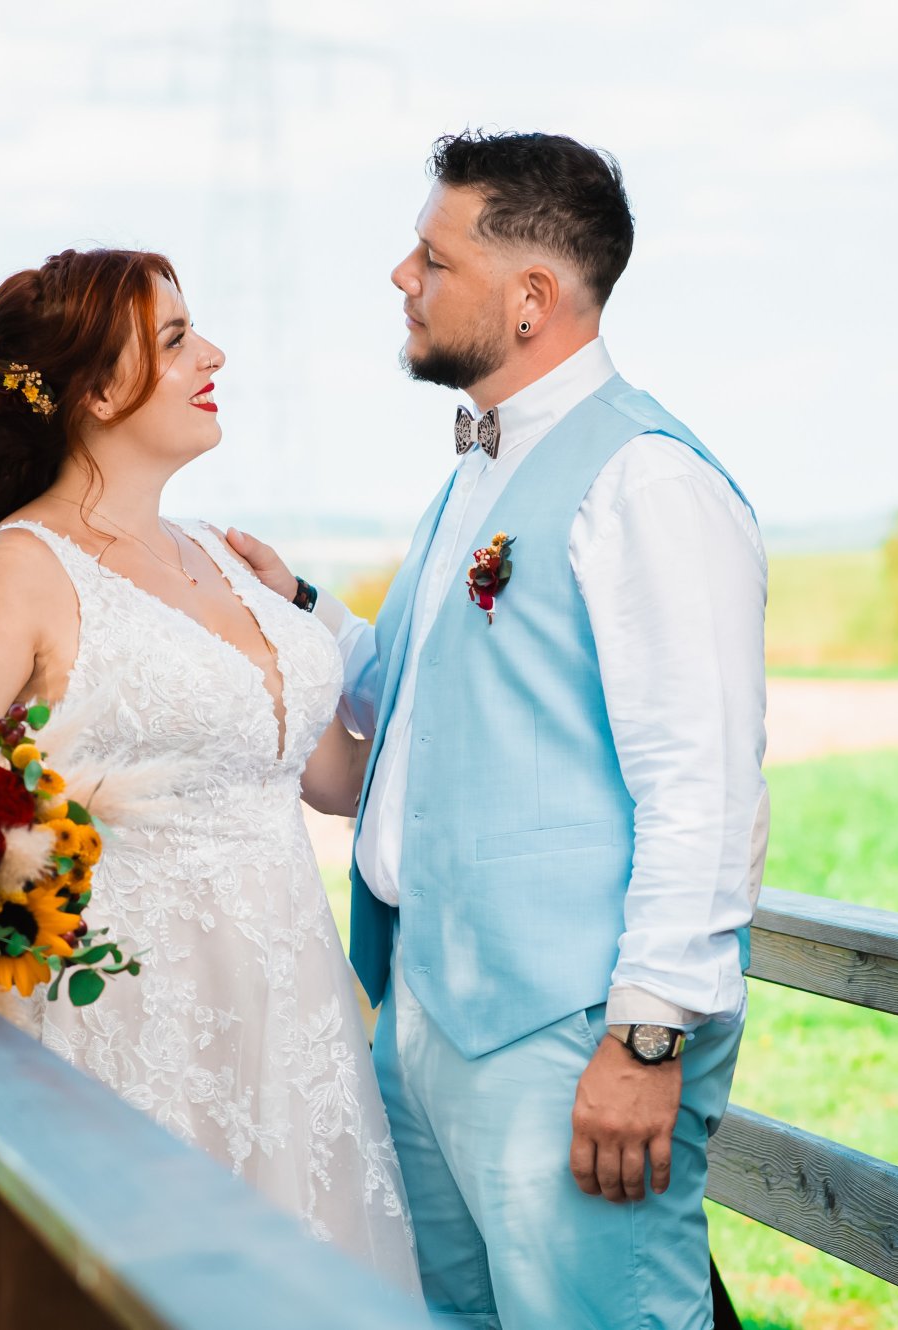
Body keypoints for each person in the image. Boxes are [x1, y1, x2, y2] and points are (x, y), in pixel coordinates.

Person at [227, 130, 769, 1329]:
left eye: (433, 257)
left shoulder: (646, 482)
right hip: (425, 1010)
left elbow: (702, 783)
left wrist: (645, 1036)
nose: (401, 276)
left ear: (529, 298)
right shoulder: (476, 473)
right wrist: (298, 608)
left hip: (566, 1031)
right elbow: (421, 703)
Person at [0, 247, 417, 1289]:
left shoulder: (226, 556)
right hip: (125, 1028)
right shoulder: (17, 572)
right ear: (96, 391)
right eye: (177, 339)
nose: (212, 354)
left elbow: (332, 780)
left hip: (296, 1029)